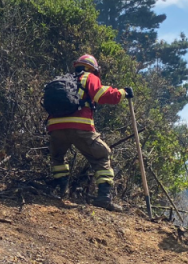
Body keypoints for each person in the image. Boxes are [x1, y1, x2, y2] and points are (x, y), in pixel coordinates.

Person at [47, 54, 132, 211]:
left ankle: (59, 191)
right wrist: (123, 93)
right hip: (80, 126)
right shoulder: (89, 77)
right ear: (94, 69)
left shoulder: (64, 79)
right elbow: (101, 95)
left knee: (58, 158)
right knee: (102, 155)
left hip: (55, 126)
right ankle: (104, 198)